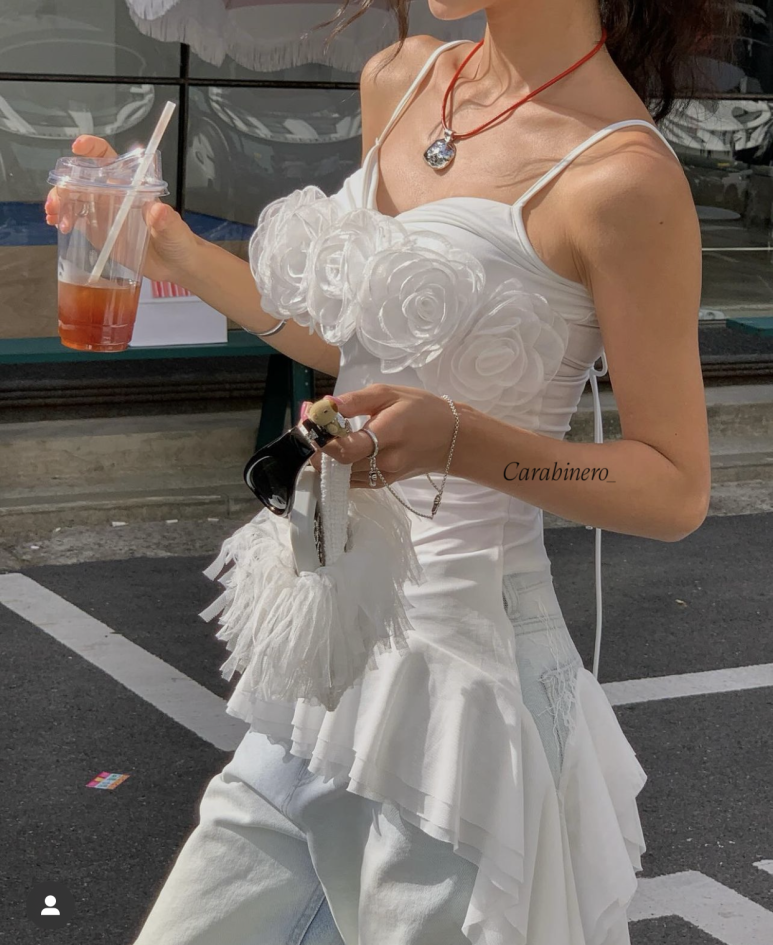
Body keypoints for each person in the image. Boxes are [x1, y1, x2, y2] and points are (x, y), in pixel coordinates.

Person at [46, 1, 738, 942]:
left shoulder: (622, 178)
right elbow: (352, 341)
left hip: (466, 691)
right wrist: (170, 248)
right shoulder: (404, 78)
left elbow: (672, 487)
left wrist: (459, 440)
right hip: (330, 654)